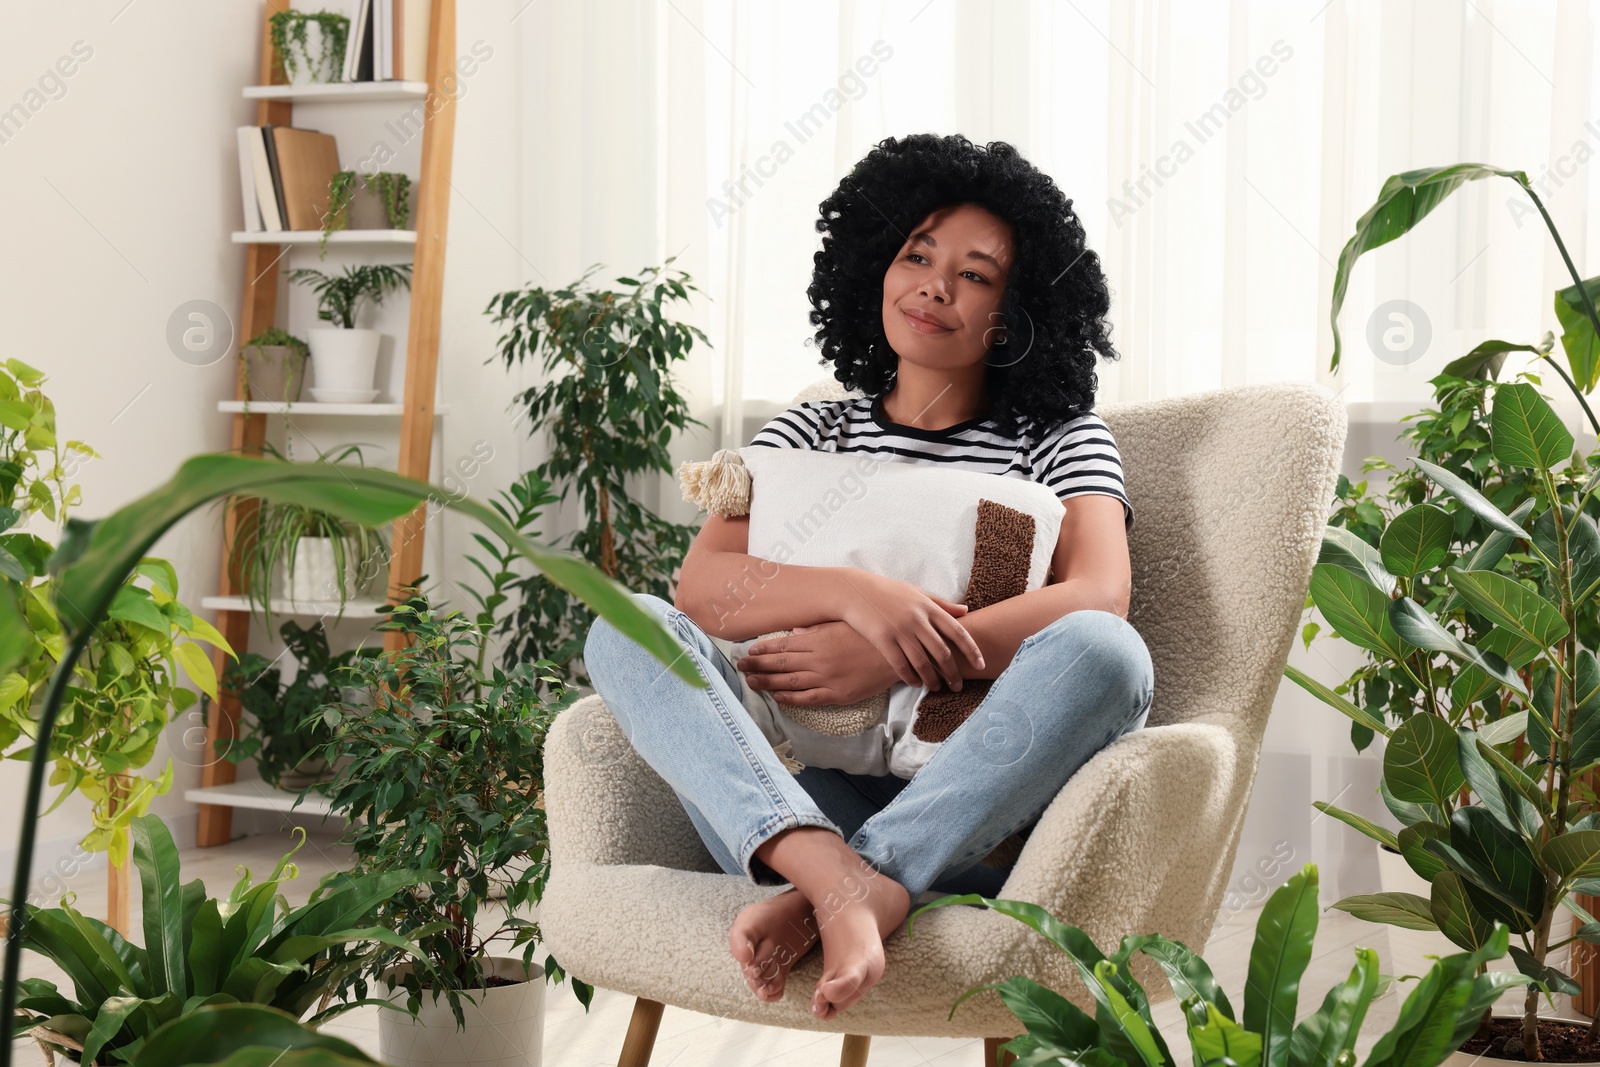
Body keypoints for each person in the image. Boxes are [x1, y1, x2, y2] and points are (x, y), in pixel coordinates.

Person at [582, 132, 1154, 1022]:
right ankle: (838, 877)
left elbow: (1098, 596)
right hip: (785, 795)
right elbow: (704, 590)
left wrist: (896, 656)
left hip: (973, 807)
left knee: (1110, 654)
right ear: (872, 270)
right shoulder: (807, 431)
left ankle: (868, 875)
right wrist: (863, 599)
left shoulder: (1061, 438)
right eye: (917, 254)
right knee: (623, 619)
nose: (934, 283)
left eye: (975, 274)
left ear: (1015, 310)